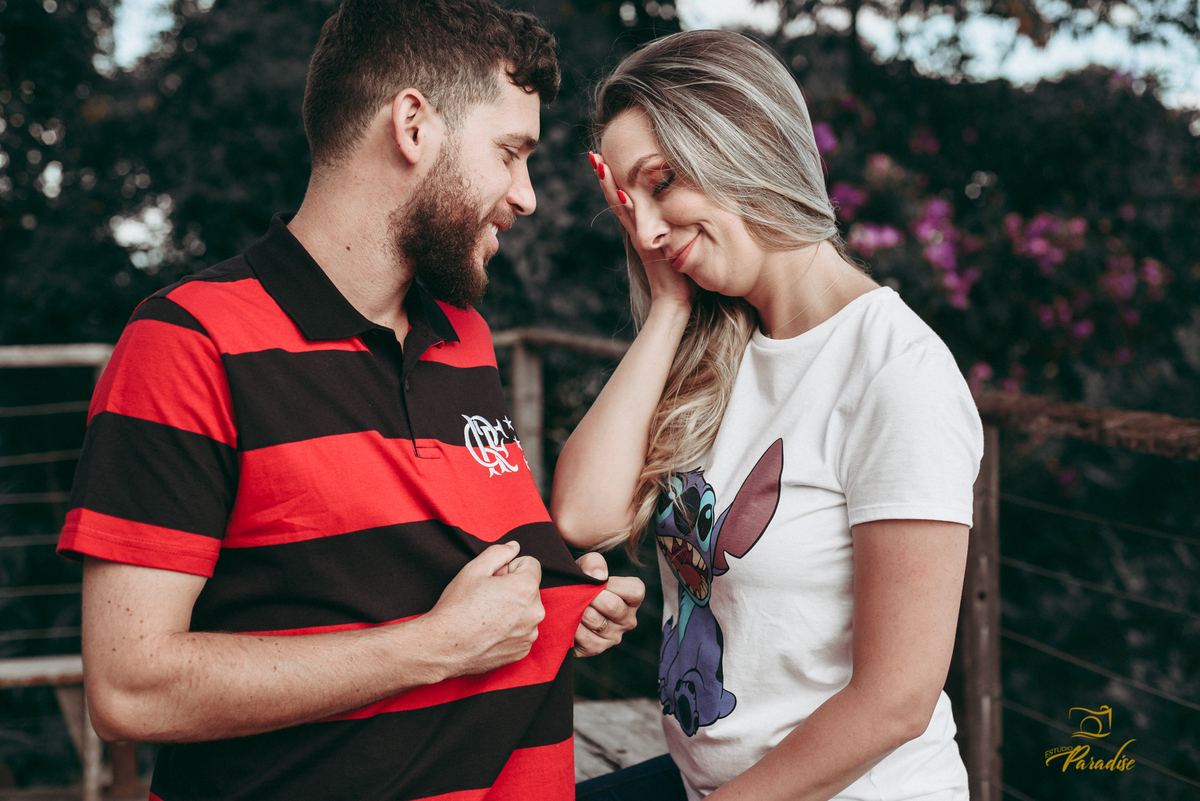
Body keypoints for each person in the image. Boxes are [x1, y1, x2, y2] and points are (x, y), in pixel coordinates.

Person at [56, 2, 644, 799]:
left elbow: (412, 573)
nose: (527, 195)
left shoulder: (464, 336)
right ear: (412, 126)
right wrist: (434, 646)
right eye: (511, 153)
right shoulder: (187, 343)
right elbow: (130, 687)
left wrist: (557, 602)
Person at [553, 30, 983, 801]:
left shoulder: (897, 373)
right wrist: (666, 309)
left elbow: (896, 699)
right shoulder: (718, 341)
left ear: (742, 143)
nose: (647, 230)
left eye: (663, 182)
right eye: (629, 204)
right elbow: (584, 516)